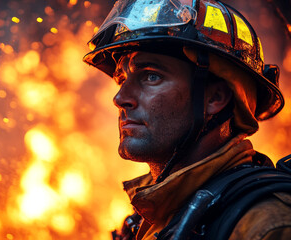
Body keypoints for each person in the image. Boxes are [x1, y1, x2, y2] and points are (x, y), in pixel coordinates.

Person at [83, 0, 291, 239]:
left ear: (215, 97)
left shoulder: (266, 224)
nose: (120, 98)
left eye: (151, 76)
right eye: (121, 79)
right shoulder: (148, 219)